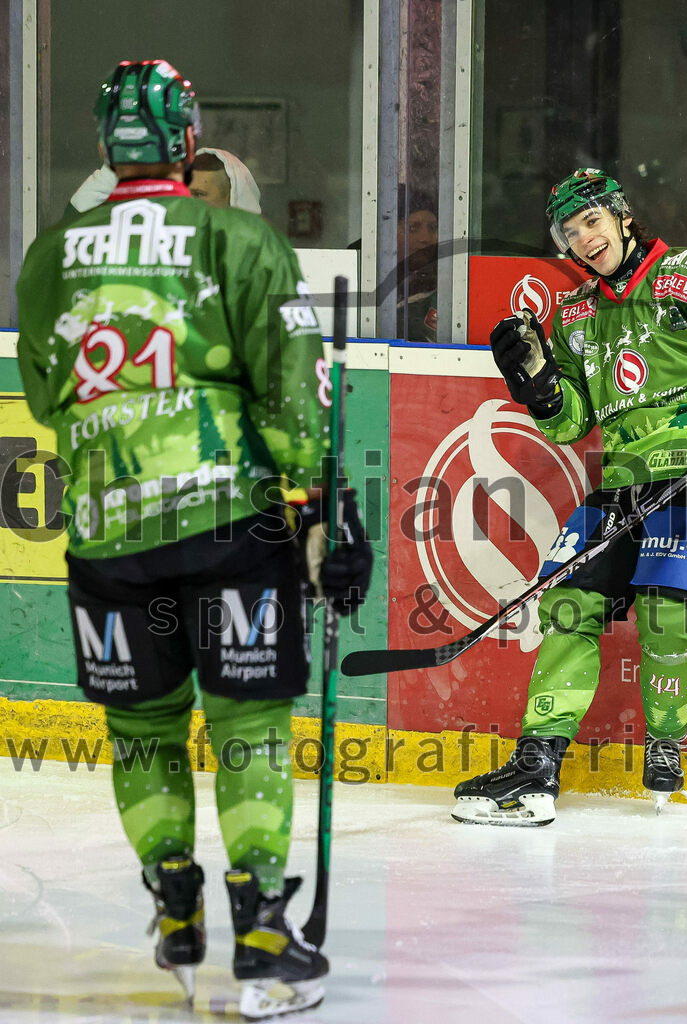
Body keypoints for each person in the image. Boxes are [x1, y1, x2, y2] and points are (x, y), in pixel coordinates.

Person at [16, 60, 371, 1018]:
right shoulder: (236, 238)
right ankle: (261, 933)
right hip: (228, 525)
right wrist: (323, 506)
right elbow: (291, 388)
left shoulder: (51, 256)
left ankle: (174, 903)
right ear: (186, 138)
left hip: (106, 533)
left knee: (143, 732)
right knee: (247, 725)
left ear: (105, 146)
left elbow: (46, 398)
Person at [452, 167, 687, 825]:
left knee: (666, 618)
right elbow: (570, 423)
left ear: (622, 216)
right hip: (620, 483)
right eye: (570, 232)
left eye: (592, 221)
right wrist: (539, 387)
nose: (585, 238)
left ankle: (665, 744)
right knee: (565, 605)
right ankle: (535, 765)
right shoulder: (575, 314)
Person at [69, 147, 262, 214]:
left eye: (199, 194)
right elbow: (76, 219)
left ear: (233, 201)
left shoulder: (257, 259)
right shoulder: (164, 244)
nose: (187, 201)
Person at [396, 188, 438, 342]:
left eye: (433, 228)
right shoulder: (363, 276)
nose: (425, 238)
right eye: (413, 227)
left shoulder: (448, 288)